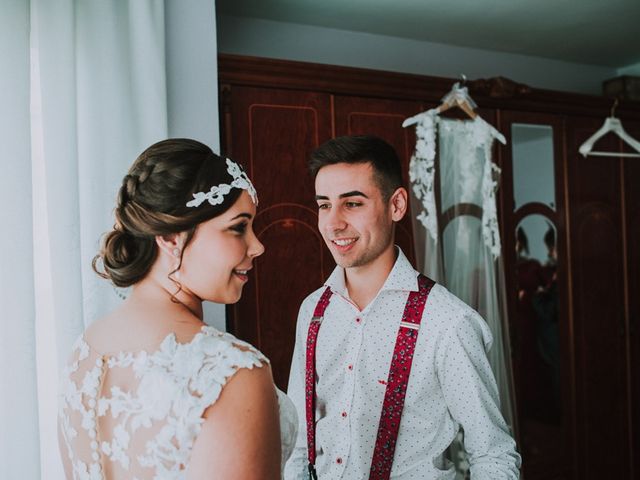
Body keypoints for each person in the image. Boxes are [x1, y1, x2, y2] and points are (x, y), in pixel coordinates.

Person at [284, 135, 520, 479]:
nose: (333, 222)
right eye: (324, 204)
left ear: (396, 205)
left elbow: (494, 456)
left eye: (352, 204)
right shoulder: (313, 310)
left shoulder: (448, 322)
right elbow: (300, 444)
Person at [58, 139, 297, 479]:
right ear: (171, 237)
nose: (257, 246)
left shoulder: (86, 351)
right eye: (238, 227)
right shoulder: (233, 371)